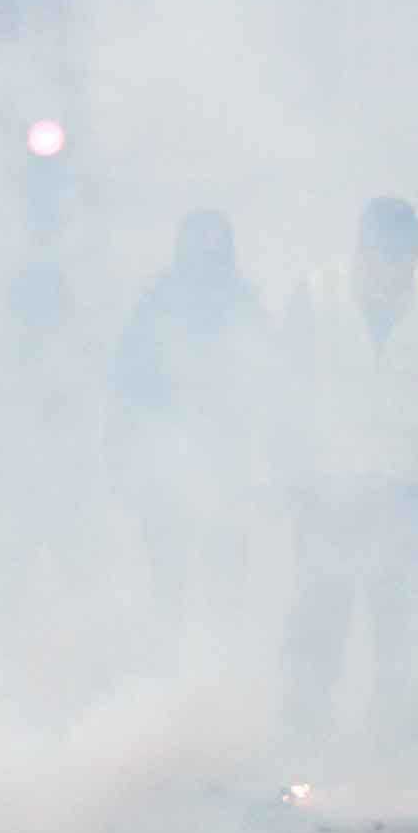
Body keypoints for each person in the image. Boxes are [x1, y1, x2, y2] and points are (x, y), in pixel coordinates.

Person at [278, 196, 418, 754]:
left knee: (402, 629)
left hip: (411, 493)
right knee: (319, 620)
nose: (395, 275)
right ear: (362, 252)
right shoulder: (318, 297)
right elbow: (280, 388)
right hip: (329, 489)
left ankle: (395, 751)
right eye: (385, 260)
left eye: (406, 264)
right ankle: (302, 743)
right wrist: (288, 471)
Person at [107, 211, 276, 613]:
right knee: (169, 582)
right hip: (162, 469)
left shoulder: (245, 311)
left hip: (225, 467)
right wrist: (120, 459)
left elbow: (271, 392)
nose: (204, 263)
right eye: (198, 251)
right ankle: (171, 665)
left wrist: (271, 468)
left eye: (213, 253)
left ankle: (219, 662)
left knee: (224, 581)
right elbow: (126, 392)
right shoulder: (153, 311)